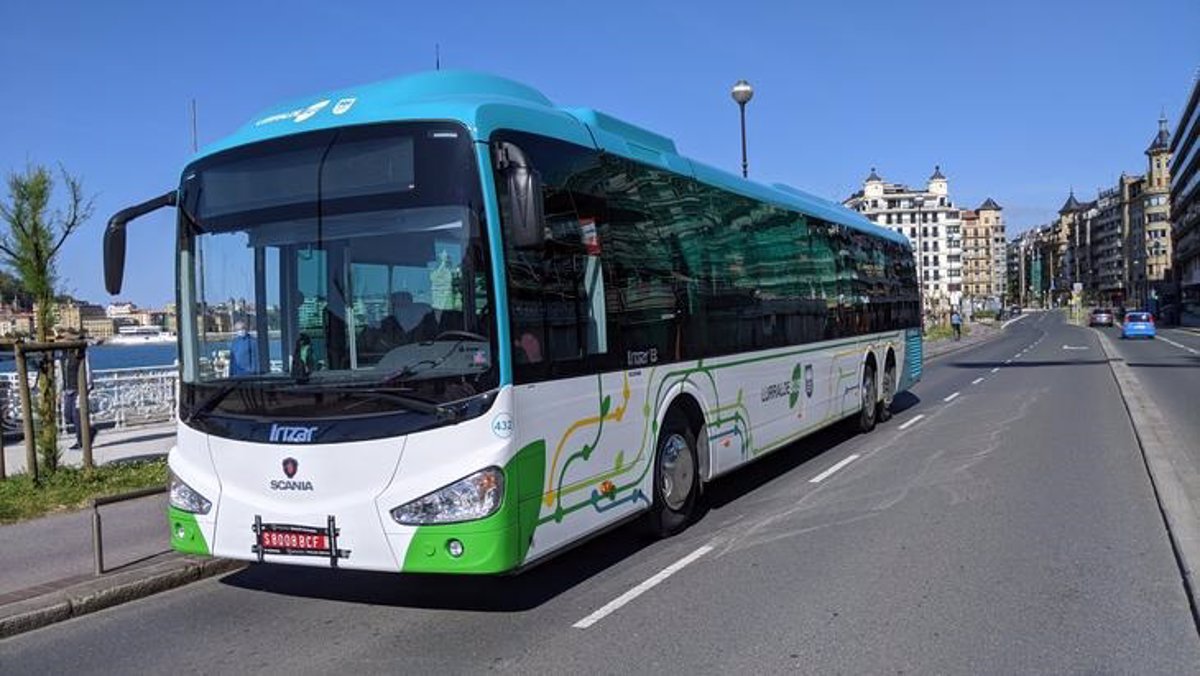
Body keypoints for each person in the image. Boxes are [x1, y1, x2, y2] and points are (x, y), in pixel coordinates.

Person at [59, 336, 96, 451]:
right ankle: (89, 432)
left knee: (77, 416)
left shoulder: (81, 353)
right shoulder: (63, 356)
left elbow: (87, 369)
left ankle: (82, 441)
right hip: (67, 389)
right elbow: (61, 374)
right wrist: (59, 390)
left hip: (78, 388)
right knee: (67, 415)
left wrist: (87, 387)